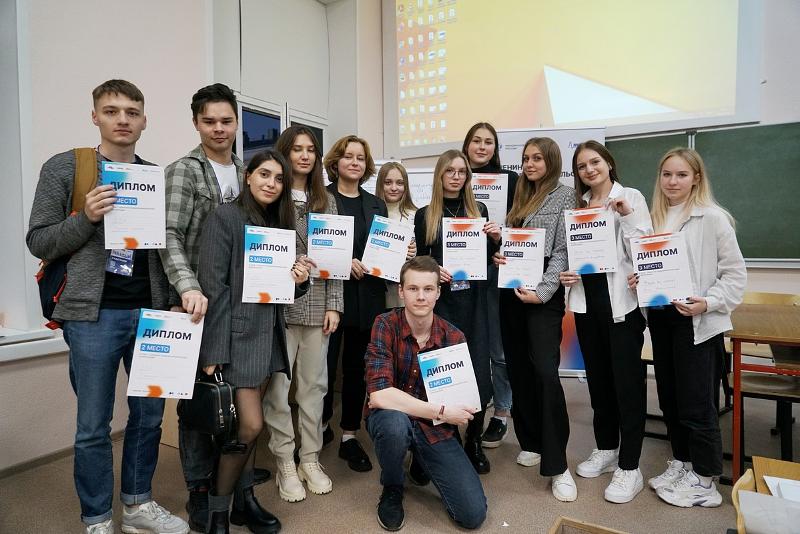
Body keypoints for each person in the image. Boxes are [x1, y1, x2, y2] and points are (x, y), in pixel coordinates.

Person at [26, 79, 188, 534]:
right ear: (94, 116)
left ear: (144, 121)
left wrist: (174, 301)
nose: (122, 120)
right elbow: (39, 240)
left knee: (150, 418)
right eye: (112, 111)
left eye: (132, 112)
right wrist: (86, 217)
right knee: (93, 425)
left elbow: (166, 248)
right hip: (91, 316)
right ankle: (97, 518)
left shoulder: (154, 176)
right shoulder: (67, 167)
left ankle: (137, 505)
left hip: (152, 314)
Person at [159, 83, 268, 532]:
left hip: (238, 309)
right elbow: (167, 235)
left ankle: (241, 493)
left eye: (226, 121)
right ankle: (200, 491)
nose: (219, 128)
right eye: (209, 121)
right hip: (194, 306)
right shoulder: (184, 171)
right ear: (196, 123)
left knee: (240, 406)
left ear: (237, 123)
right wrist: (187, 287)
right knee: (201, 405)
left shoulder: (247, 172)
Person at [198, 149, 312, 533]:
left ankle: (244, 503)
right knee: (248, 427)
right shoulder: (225, 218)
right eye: (264, 175)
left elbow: (282, 291)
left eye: (279, 179)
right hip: (235, 341)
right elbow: (213, 287)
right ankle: (217, 513)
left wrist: (299, 280)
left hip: (267, 338)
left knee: (244, 431)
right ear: (248, 177)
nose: (271, 184)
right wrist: (213, 351)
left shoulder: (277, 224)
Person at [633, 147, 746, 508]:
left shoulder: (713, 218)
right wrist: (640, 278)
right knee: (670, 398)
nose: (673, 181)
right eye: (667, 174)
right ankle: (683, 462)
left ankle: (706, 480)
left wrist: (707, 302)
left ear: (696, 178)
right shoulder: (655, 219)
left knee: (697, 403)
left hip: (697, 322)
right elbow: (652, 266)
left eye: (681, 175)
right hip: (662, 318)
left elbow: (735, 275)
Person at [558, 141, 652, 503]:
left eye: (594, 162)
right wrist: (569, 274)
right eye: (582, 166)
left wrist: (627, 215)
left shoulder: (631, 198)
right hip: (588, 306)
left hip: (621, 307)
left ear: (608, 163)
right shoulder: (579, 206)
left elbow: (646, 249)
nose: (589, 170)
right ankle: (607, 448)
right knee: (598, 383)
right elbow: (576, 254)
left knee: (627, 386)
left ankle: (630, 466)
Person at [365, 256, 487, 531]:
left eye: (428, 289)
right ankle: (393, 485)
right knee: (395, 425)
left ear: (438, 292)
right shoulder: (384, 324)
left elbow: (461, 403)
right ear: (401, 291)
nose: (421, 297)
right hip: (391, 418)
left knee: (472, 515)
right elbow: (379, 396)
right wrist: (441, 411)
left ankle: (420, 458)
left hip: (434, 427)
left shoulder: (453, 337)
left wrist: (458, 412)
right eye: (413, 288)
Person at [493, 137, 576, 501]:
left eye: (537, 158)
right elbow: (513, 242)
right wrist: (500, 255)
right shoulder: (520, 196)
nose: (529, 164)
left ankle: (559, 465)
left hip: (543, 294)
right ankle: (531, 441)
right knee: (519, 368)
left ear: (551, 161)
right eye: (526, 158)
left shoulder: (566, 195)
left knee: (545, 371)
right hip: (511, 291)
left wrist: (542, 291)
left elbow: (562, 251)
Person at [263, 125, 342, 502]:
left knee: (313, 389)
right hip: (278, 308)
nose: (305, 155)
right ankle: (285, 462)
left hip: (317, 308)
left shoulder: (327, 200)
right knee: (278, 392)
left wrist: (335, 304)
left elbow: (337, 260)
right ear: (285, 152)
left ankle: (309, 458)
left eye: (311, 149)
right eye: (297, 149)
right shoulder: (270, 195)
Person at [413, 149, 501, 474]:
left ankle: (472, 441)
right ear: (440, 174)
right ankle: (434, 445)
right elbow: (419, 263)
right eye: (450, 171)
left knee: (478, 377)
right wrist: (433, 268)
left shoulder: (479, 211)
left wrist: (497, 239)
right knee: (438, 377)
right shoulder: (425, 215)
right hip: (442, 307)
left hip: (474, 305)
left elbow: (491, 257)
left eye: (462, 171)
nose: (456, 176)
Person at [322, 135, 388, 472]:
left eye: (360, 158)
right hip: (330, 298)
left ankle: (349, 434)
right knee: (323, 370)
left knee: (356, 371)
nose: (354, 162)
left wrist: (401, 252)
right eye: (348, 156)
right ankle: (319, 427)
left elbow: (383, 251)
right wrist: (341, 261)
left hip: (367, 299)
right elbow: (312, 245)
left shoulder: (377, 204)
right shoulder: (321, 198)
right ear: (336, 162)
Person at [461, 122, 519, 448]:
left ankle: (501, 412)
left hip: (497, 270)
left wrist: (503, 241)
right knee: (467, 343)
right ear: (467, 145)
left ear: (495, 149)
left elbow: (521, 224)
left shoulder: (509, 180)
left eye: (488, 142)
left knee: (497, 347)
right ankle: (468, 409)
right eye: (477, 141)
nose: (482, 147)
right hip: (463, 273)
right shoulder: (456, 176)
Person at [374, 161, 418, 309]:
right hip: (377, 291)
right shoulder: (371, 213)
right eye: (388, 182)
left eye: (400, 183)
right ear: (380, 184)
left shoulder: (416, 215)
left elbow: (426, 255)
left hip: (407, 293)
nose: (394, 188)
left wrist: (414, 251)